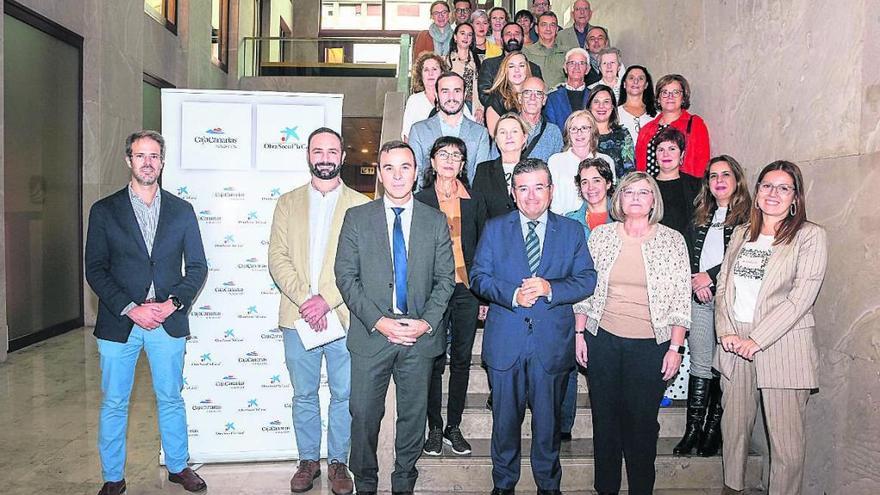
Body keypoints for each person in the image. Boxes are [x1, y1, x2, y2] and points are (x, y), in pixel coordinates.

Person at [85, 130, 208, 495]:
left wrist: (171, 304)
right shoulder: (104, 211)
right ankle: (112, 477)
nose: (148, 162)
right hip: (119, 322)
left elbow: (198, 267)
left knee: (170, 397)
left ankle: (178, 466)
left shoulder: (181, 211)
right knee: (115, 401)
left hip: (167, 322)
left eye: (154, 156)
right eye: (141, 156)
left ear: (162, 161)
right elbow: (95, 268)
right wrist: (131, 308)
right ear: (129, 160)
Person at [335, 140, 456, 495]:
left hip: (419, 337)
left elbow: (445, 279)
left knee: (413, 419)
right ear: (380, 173)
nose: (398, 175)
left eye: (405, 167)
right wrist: (379, 321)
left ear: (417, 172)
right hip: (372, 336)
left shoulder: (435, 221)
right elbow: (345, 276)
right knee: (363, 415)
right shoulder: (358, 218)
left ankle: (404, 481)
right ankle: (366, 482)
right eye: (389, 168)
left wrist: (426, 322)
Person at [470, 158, 597, 495]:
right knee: (505, 424)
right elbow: (478, 277)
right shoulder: (496, 228)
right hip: (506, 342)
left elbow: (587, 278)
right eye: (523, 188)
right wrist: (511, 294)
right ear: (513, 193)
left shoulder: (570, 232)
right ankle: (504, 485)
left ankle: (548, 486)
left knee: (548, 425)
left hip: (551, 344)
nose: (531, 196)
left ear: (551, 191)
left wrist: (550, 288)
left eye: (539, 187)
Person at [574, 171, 691, 495]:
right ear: (619, 200)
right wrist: (579, 333)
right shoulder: (602, 237)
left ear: (654, 199)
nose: (636, 197)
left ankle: (642, 488)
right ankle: (606, 489)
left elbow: (681, 298)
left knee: (642, 425)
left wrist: (675, 348)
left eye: (644, 192)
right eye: (629, 192)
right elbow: (586, 289)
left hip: (651, 346)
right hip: (603, 340)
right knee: (605, 421)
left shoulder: (672, 240)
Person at [715, 161, 828, 495]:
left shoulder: (810, 236)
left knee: (786, 446)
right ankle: (731, 489)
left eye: (783, 188)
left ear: (796, 197)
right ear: (757, 191)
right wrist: (726, 333)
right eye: (767, 185)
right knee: (733, 433)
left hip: (782, 345)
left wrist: (757, 339)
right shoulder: (740, 234)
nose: (773, 193)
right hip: (735, 345)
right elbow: (723, 287)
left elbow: (801, 297)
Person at [268, 128, 369, 495]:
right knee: (304, 394)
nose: (324, 157)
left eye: (332, 151)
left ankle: (339, 462)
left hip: (343, 317)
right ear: (308, 156)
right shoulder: (287, 203)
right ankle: (308, 460)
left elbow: (361, 265)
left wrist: (326, 299)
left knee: (344, 395)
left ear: (343, 157)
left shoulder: (361, 205)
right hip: (298, 318)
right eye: (317, 150)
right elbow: (277, 259)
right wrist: (306, 301)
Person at [672, 155, 751, 458]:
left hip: (728, 302)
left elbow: (742, 257)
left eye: (725, 175)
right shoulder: (700, 214)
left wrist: (711, 279)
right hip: (698, 298)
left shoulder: (748, 218)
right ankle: (693, 429)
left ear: (737, 180)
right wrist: (696, 282)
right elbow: (691, 255)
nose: (719, 181)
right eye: (713, 176)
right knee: (701, 364)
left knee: (722, 367)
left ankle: (712, 431)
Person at [416, 136, 488, 457]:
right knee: (433, 360)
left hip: (466, 290)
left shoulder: (475, 199)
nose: (449, 159)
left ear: (463, 164)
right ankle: (433, 426)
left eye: (456, 155)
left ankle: (453, 426)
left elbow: (485, 248)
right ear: (432, 162)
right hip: (432, 292)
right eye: (442, 154)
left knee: (461, 360)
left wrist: (483, 294)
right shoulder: (420, 200)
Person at [558, 157, 615, 441]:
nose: (591, 187)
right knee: (569, 364)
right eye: (584, 182)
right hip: (577, 301)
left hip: (614, 304)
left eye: (596, 180)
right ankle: (564, 423)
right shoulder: (569, 221)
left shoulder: (623, 220)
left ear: (608, 182)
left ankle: (608, 424)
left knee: (605, 370)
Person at [409, 72, 491, 187]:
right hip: (426, 202)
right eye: (445, 91)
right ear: (437, 95)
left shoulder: (480, 133)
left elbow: (480, 180)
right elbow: (415, 177)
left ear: (464, 94)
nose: (451, 97)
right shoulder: (418, 131)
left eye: (457, 91)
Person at [635, 73, 711, 178]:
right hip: (652, 189)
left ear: (683, 97)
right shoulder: (646, 129)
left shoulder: (695, 124)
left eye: (676, 92)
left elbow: (702, 162)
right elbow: (640, 167)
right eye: (665, 92)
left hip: (685, 189)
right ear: (658, 98)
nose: (670, 96)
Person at [547, 110, 614, 214]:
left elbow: (610, 197)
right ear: (568, 134)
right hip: (564, 222)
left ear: (593, 131)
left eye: (584, 128)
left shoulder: (606, 160)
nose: (579, 133)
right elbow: (552, 200)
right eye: (574, 129)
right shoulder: (555, 161)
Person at [652, 127, 701, 254]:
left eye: (672, 149)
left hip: (686, 253)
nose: (665, 154)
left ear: (682, 154)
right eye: (660, 150)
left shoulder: (697, 186)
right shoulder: (646, 186)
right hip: (653, 251)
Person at [472, 112, 529, 218]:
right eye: (503, 132)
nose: (509, 136)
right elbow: (477, 211)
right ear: (496, 139)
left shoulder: (535, 170)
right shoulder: (483, 170)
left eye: (514, 131)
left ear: (524, 137)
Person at [477, 22, 543, 108]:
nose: (513, 37)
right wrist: (511, 107)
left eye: (517, 33)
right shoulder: (489, 65)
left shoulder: (534, 68)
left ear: (523, 39)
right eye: (508, 34)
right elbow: (485, 96)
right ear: (501, 40)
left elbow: (540, 95)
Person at [588, 84, 635, 180]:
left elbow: (630, 172)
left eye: (606, 102)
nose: (601, 106)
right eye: (596, 102)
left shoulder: (623, 134)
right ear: (589, 106)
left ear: (613, 106)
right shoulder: (582, 134)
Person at [402, 52, 449, 141]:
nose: (430, 73)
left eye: (434, 69)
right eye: (426, 70)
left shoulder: (452, 97)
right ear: (421, 74)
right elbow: (407, 134)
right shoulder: (414, 100)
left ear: (442, 73)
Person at [516, 76, 564, 162]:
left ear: (544, 100)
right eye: (527, 92)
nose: (532, 98)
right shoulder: (507, 128)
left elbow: (558, 168)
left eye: (538, 93)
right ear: (520, 98)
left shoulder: (553, 132)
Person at [483, 51, 532, 135]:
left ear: (527, 69)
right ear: (505, 70)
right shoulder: (495, 99)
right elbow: (495, 137)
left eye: (521, 65)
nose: (517, 70)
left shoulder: (535, 96)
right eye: (511, 66)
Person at [544, 48, 590, 131]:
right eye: (572, 63)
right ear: (565, 68)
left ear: (587, 69)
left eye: (581, 63)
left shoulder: (594, 96)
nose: (576, 67)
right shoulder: (552, 98)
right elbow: (551, 130)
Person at [446, 23, 483, 121]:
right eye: (462, 33)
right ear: (455, 37)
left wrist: (481, 108)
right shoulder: (445, 61)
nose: (466, 37)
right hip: (451, 106)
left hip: (473, 108)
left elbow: (484, 89)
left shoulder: (480, 61)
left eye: (469, 34)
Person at [522, 11, 567, 88]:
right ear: (536, 29)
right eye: (544, 25)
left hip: (559, 97)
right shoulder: (526, 52)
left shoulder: (567, 53)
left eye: (552, 25)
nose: (548, 29)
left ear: (557, 30)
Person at [617, 65, 656, 143]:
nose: (636, 81)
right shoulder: (614, 113)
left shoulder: (657, 115)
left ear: (646, 85)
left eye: (641, 78)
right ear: (624, 84)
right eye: (631, 78)